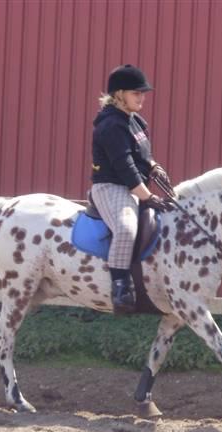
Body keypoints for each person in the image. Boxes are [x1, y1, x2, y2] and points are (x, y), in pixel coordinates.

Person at [90, 64, 174, 314]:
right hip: (111, 187)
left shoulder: (134, 121)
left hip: (132, 187)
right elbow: (124, 165)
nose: (142, 97)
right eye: (136, 93)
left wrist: (153, 165)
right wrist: (147, 197)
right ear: (119, 95)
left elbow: (140, 154)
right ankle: (120, 287)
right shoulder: (110, 125)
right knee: (126, 228)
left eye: (142, 93)